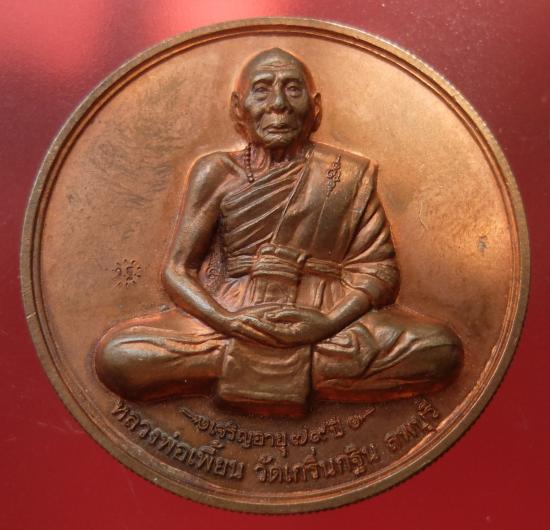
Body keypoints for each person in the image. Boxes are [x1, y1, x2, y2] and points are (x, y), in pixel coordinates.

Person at [95, 48, 462, 416]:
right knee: (122, 355)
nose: (278, 104)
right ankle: (285, 363)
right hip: (234, 319)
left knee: (439, 349)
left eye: (292, 89)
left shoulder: (346, 174)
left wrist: (326, 323)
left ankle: (239, 363)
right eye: (262, 90)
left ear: (315, 108)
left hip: (327, 319)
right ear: (238, 108)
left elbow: (379, 271)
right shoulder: (216, 171)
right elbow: (177, 270)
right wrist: (227, 321)